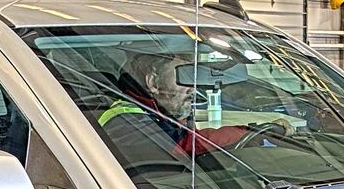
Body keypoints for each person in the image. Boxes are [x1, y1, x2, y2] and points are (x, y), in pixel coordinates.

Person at [97, 53, 252, 160]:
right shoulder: (124, 121)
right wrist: (244, 135)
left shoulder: (165, 113)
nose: (192, 87)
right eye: (183, 76)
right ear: (153, 83)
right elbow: (179, 151)